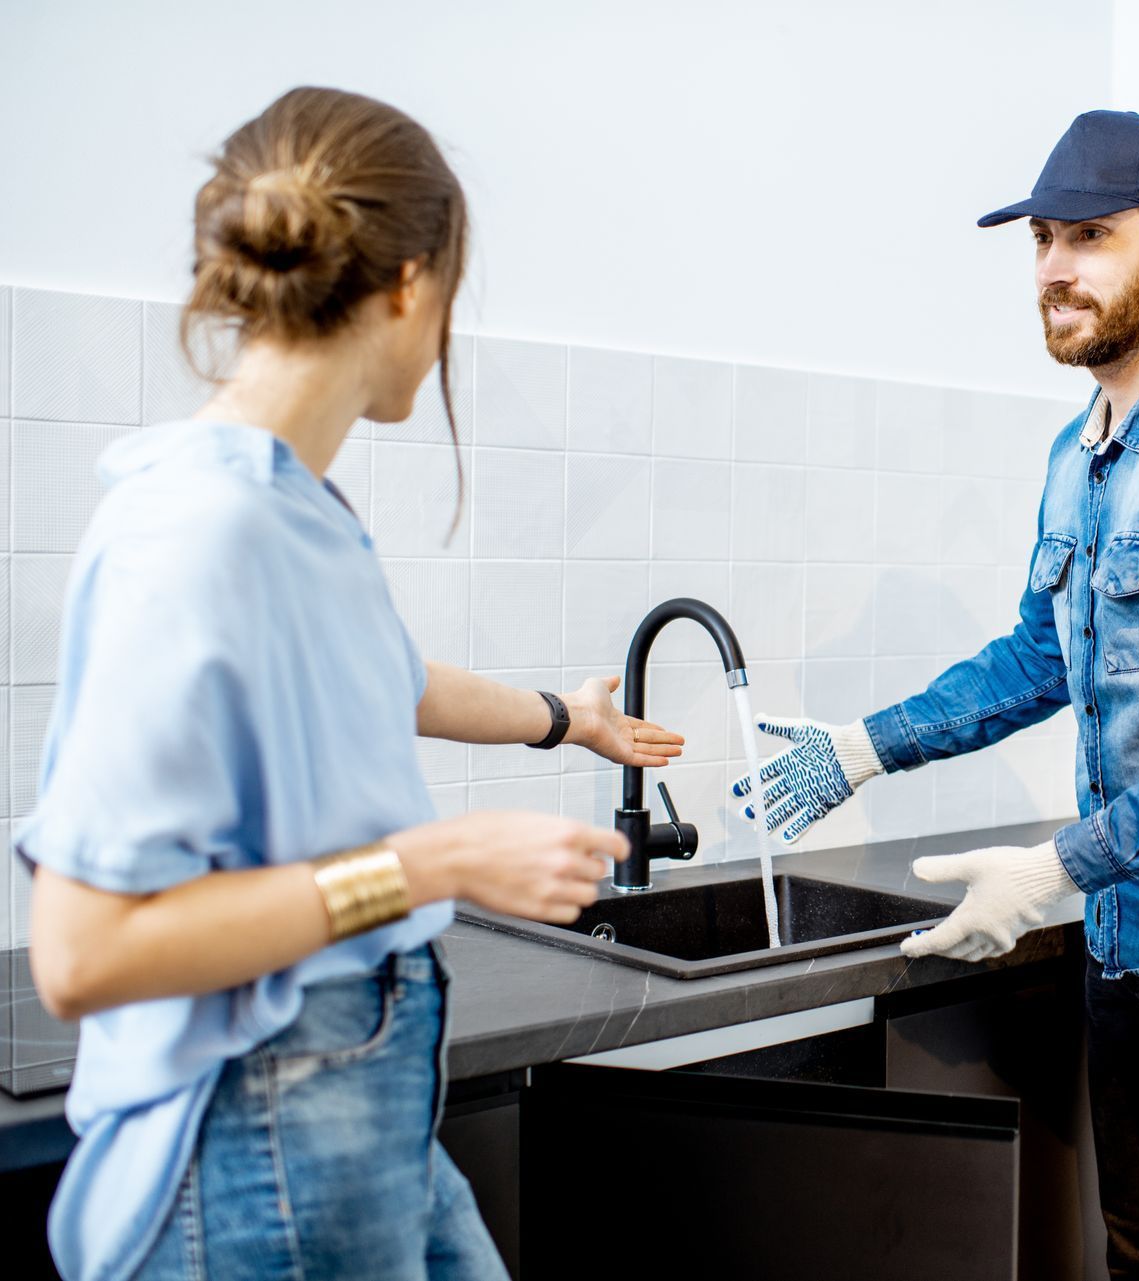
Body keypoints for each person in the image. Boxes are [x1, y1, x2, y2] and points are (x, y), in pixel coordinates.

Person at [20, 86, 684, 1281]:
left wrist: (565, 720)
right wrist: (434, 863)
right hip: (250, 1140)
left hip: (361, 1103)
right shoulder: (193, 530)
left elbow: (386, 675)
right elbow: (82, 953)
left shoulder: (290, 508)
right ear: (410, 285)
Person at [734, 110, 1139, 1279]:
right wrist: (868, 747)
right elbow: (1044, 654)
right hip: (1132, 939)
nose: (1053, 270)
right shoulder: (1080, 451)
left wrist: (1055, 867)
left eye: (1090, 235)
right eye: (1041, 239)